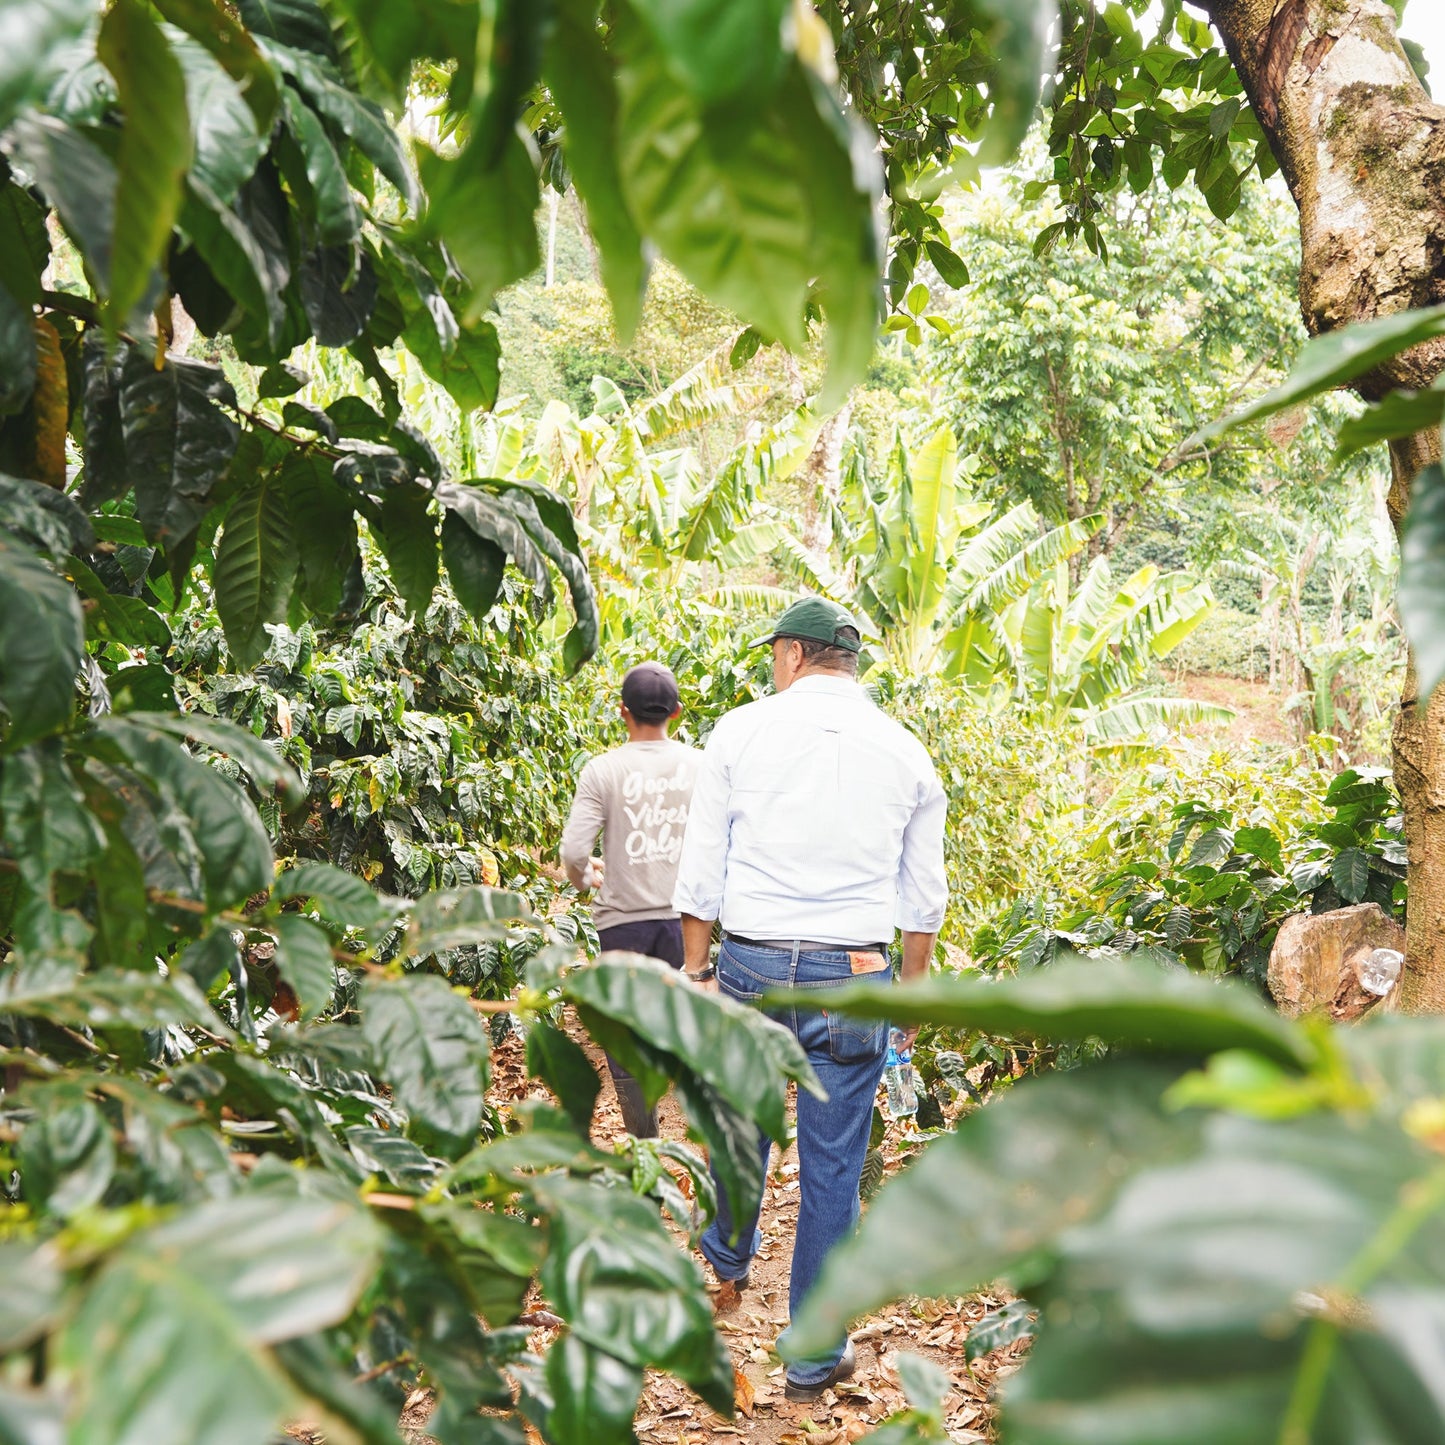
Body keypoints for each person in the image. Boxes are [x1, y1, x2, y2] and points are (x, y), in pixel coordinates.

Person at [671, 596, 947, 1403]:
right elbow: (921, 898)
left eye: (773, 654)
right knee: (832, 1167)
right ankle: (812, 1357)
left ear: (792, 653)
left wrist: (696, 969)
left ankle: (726, 1254)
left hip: (752, 965)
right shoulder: (905, 750)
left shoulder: (739, 732)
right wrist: (910, 994)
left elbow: (702, 865)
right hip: (853, 974)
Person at [559, 660, 699, 1137]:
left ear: (623, 711)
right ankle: (700, 1126)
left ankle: (646, 1143)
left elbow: (574, 851)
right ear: (676, 712)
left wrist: (586, 878)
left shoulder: (603, 770)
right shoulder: (699, 766)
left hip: (622, 923)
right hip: (684, 919)